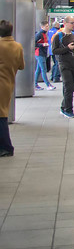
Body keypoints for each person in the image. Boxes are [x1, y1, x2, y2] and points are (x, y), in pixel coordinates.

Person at [0, 20, 24, 157]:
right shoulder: (17, 46)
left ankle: (7, 147)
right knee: (2, 114)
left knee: (1, 116)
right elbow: (21, 66)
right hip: (8, 83)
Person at [52, 16, 74, 118]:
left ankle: (63, 106)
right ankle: (68, 109)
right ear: (65, 23)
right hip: (64, 64)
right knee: (68, 86)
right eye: (72, 23)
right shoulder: (58, 36)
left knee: (72, 86)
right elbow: (54, 51)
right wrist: (67, 48)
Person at [33, 19, 55, 91]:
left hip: (42, 53)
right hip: (40, 53)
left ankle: (35, 84)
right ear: (42, 27)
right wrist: (42, 44)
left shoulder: (44, 34)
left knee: (39, 70)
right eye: (46, 26)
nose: (47, 27)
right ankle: (48, 85)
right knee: (43, 69)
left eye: (48, 26)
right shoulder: (39, 34)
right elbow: (34, 43)